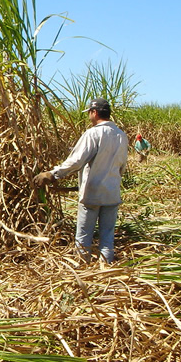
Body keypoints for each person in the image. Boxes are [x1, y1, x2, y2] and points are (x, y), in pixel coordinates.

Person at [33, 98, 128, 263]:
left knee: (83, 235)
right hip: (112, 193)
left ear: (94, 112)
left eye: (90, 113)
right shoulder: (121, 135)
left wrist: (53, 174)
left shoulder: (93, 133)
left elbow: (76, 161)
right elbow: (122, 166)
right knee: (107, 235)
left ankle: (82, 269)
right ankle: (107, 271)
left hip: (92, 194)